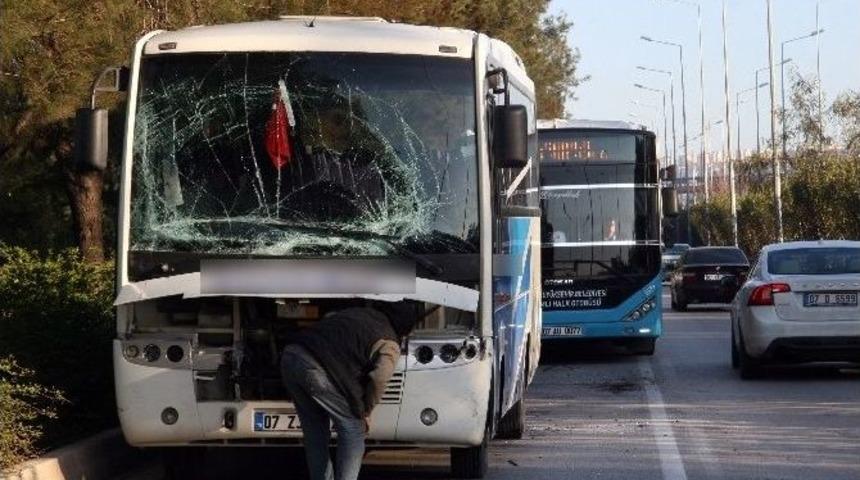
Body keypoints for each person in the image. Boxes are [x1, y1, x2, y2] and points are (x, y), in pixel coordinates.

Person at [281, 304, 415, 480]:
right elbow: (380, 378)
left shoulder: (356, 313)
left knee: (315, 434)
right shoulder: (389, 342)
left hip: (291, 357)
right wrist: (366, 411)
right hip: (316, 370)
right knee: (353, 431)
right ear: (404, 330)